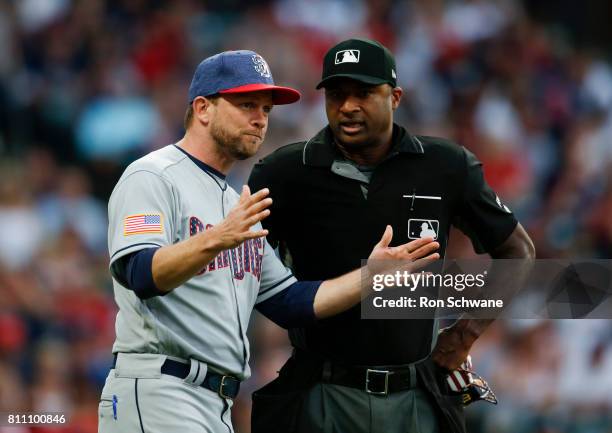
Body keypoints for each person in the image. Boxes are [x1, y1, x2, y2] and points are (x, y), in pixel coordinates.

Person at [99, 50, 440, 433]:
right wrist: (218, 238)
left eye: (265, 107)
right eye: (246, 104)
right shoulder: (153, 175)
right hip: (159, 387)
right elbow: (141, 273)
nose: (260, 118)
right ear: (203, 108)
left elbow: (290, 303)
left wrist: (369, 277)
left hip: (215, 400)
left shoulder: (235, 203)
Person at [248, 38, 536, 433]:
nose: (348, 106)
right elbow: (243, 270)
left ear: (395, 96)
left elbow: (519, 251)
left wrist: (466, 332)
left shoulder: (446, 166)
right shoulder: (283, 172)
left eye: (364, 93)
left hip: (415, 396)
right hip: (321, 392)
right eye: (336, 94)